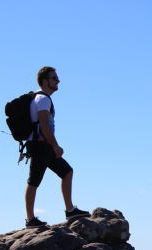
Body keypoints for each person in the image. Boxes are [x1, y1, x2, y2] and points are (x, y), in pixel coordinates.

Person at [24, 66, 89, 228]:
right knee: (34, 182)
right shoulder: (43, 99)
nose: (58, 81)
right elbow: (44, 125)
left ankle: (70, 210)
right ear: (45, 81)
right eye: (54, 78)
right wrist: (55, 145)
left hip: (43, 145)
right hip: (41, 146)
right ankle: (31, 220)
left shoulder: (39, 98)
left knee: (67, 171)